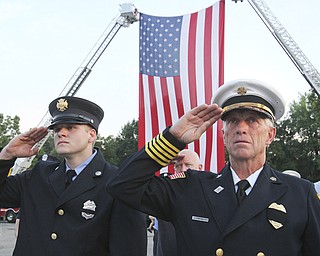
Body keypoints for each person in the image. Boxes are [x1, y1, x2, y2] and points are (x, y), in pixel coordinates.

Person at [108, 79, 320, 256]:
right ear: (224, 136)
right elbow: (122, 185)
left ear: (270, 135)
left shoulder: (300, 193)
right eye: (233, 121)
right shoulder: (190, 187)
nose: (241, 129)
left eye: (253, 120)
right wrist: (173, 139)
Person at [0, 96, 147, 256]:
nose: (61, 133)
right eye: (57, 129)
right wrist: (6, 155)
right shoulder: (38, 175)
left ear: (91, 135)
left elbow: (129, 248)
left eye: (70, 127)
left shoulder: (118, 183)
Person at [156, 149, 203, 256]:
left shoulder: (210, 193)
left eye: (188, 165)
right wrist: (159, 162)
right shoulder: (165, 193)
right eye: (178, 166)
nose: (183, 170)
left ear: (200, 168)